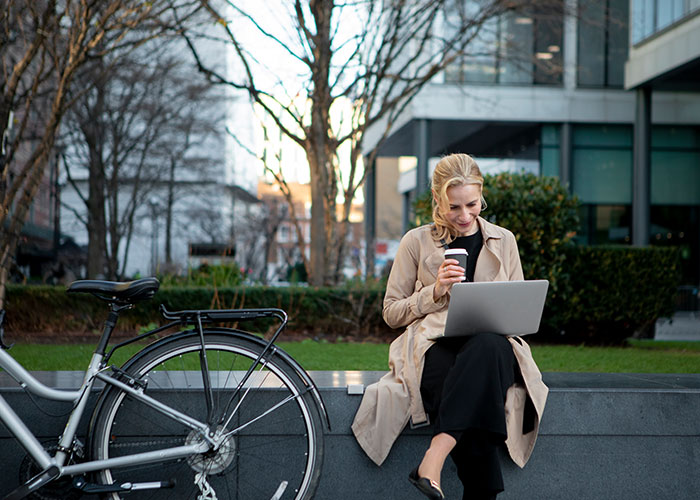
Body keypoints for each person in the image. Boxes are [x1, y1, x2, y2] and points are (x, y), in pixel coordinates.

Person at [352, 153, 548, 499]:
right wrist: (435, 291)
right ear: (437, 200)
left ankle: (434, 458)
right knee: (470, 387)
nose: (464, 215)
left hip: (493, 347)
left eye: (472, 204)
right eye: (453, 207)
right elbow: (391, 312)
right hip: (434, 347)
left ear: (481, 195)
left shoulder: (505, 240)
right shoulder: (416, 241)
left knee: (487, 349)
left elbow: (518, 306)